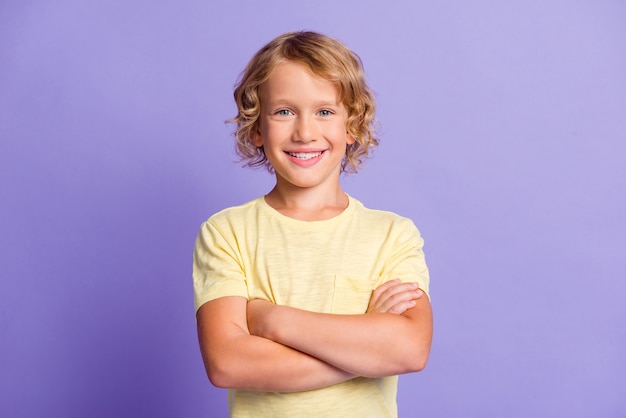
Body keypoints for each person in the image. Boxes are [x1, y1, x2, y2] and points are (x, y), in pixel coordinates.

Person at [193, 31, 433, 418]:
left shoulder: (392, 235)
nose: (305, 132)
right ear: (257, 128)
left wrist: (273, 320)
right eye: (284, 111)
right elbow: (227, 363)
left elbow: (409, 349)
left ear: (351, 124)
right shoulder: (227, 232)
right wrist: (365, 349)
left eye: (324, 111)